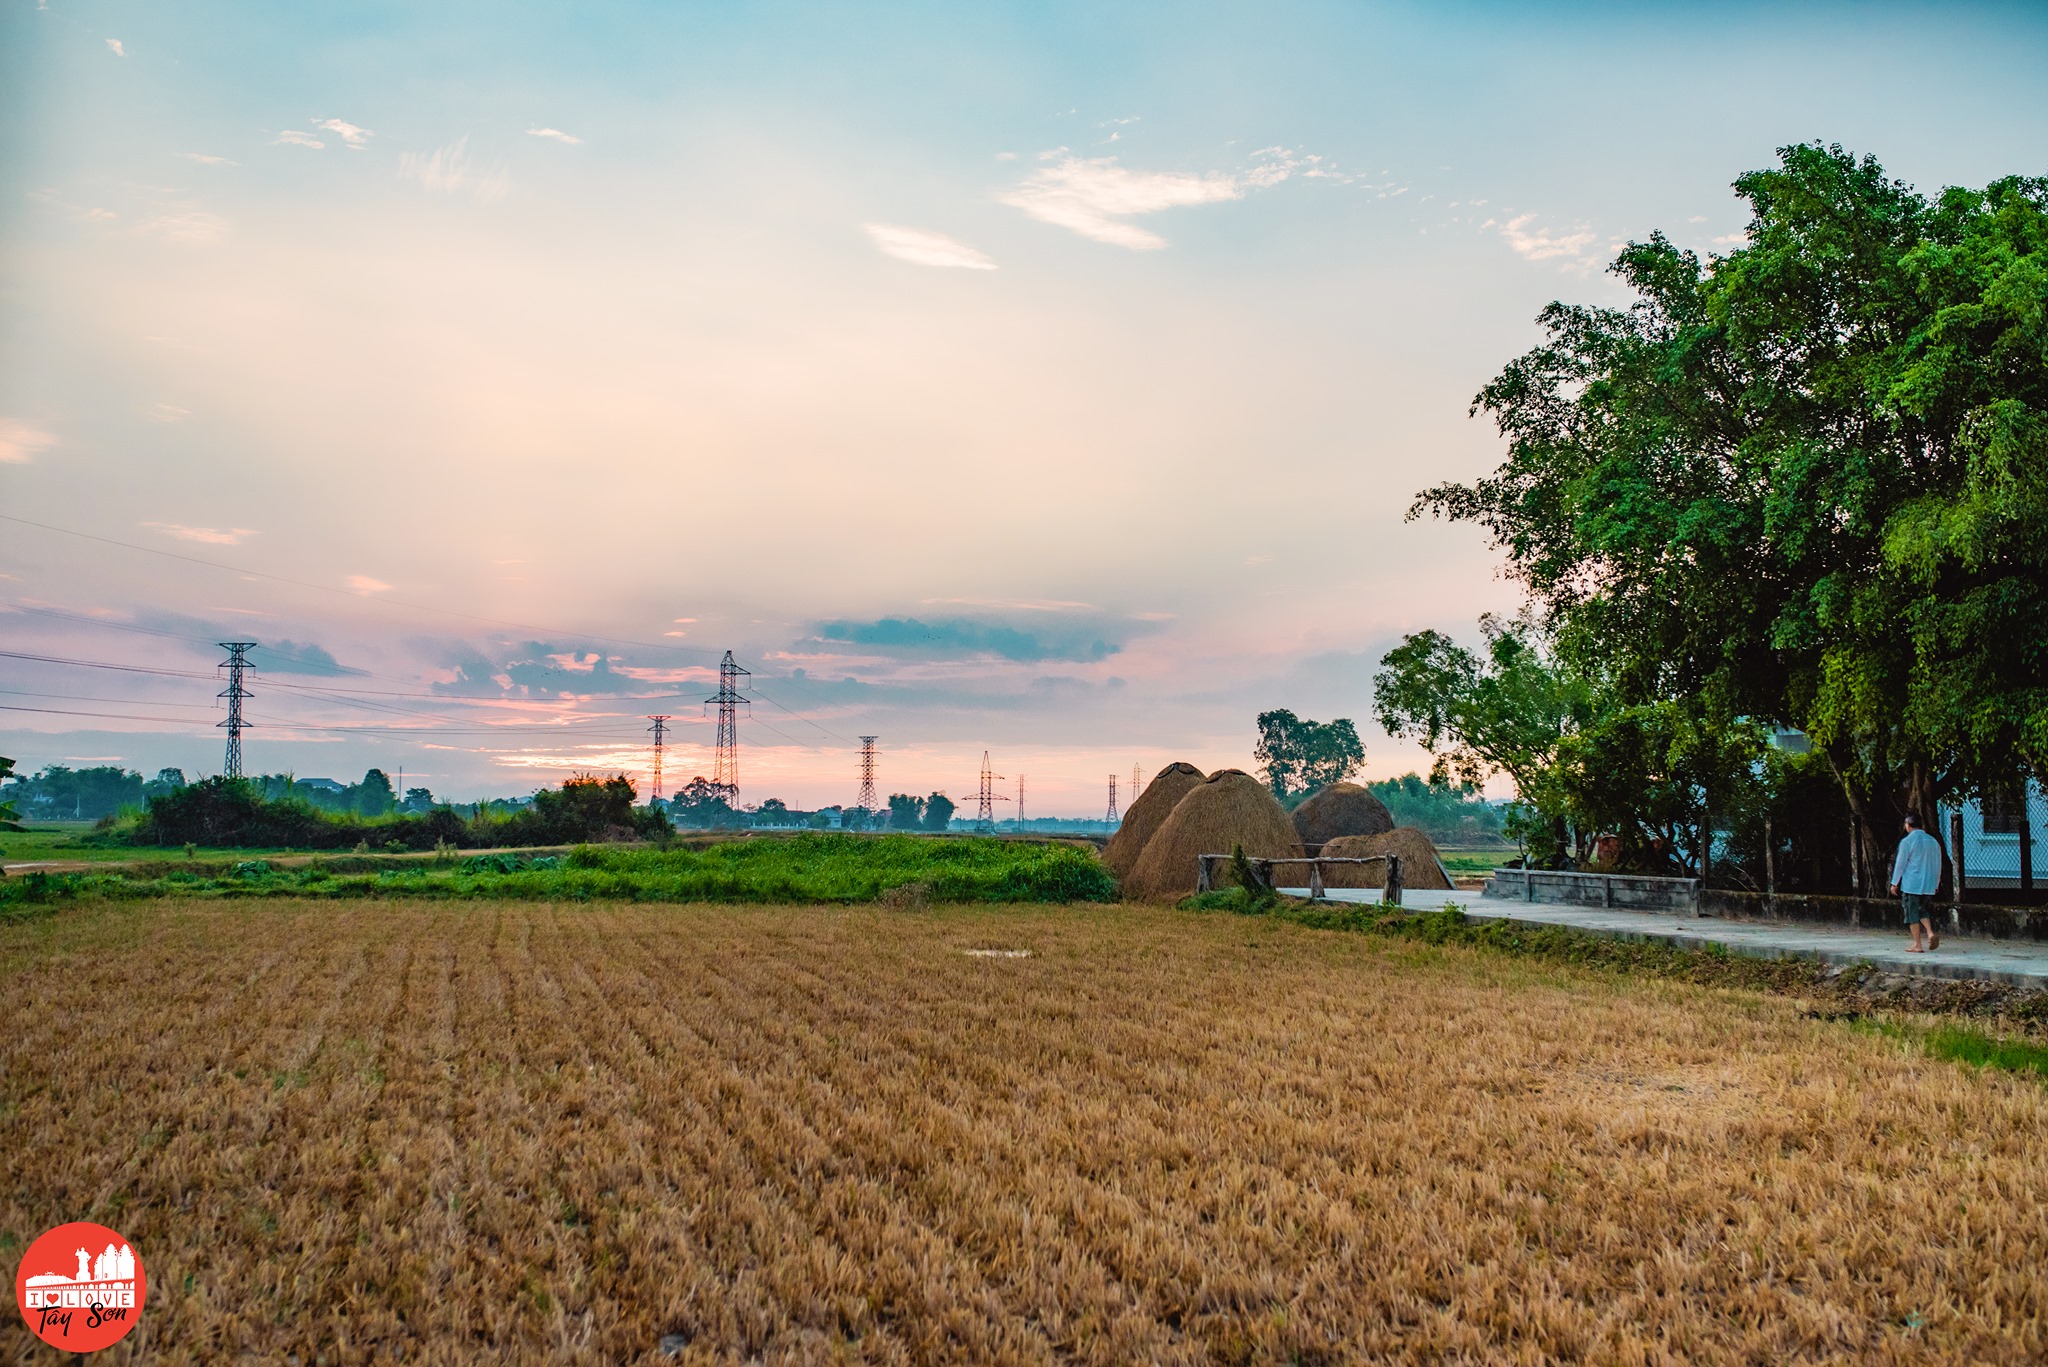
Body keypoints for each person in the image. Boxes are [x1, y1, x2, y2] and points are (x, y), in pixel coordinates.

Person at [1888, 812, 1944, 952]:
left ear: (1908, 825)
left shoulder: (1907, 841)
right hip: (1929, 883)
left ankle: (1917, 944)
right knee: (1922, 909)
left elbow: (1901, 863)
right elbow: (1938, 863)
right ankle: (1930, 932)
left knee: (1911, 913)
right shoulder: (1933, 841)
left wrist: (1895, 882)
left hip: (1912, 883)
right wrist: (1936, 883)